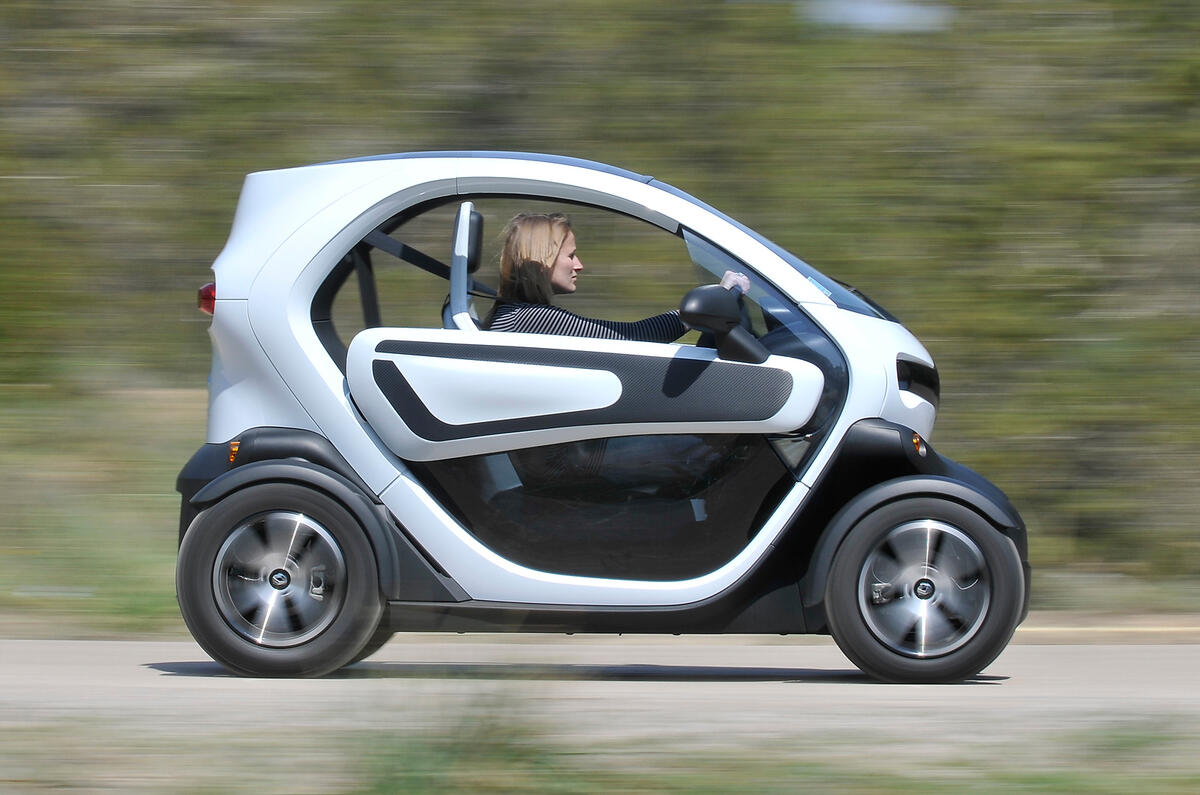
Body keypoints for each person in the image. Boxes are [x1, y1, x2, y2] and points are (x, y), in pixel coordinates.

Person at [484, 212, 688, 342]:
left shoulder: (515, 315)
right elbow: (632, 337)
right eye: (570, 256)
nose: (579, 266)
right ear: (543, 259)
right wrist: (696, 316)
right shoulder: (528, 318)